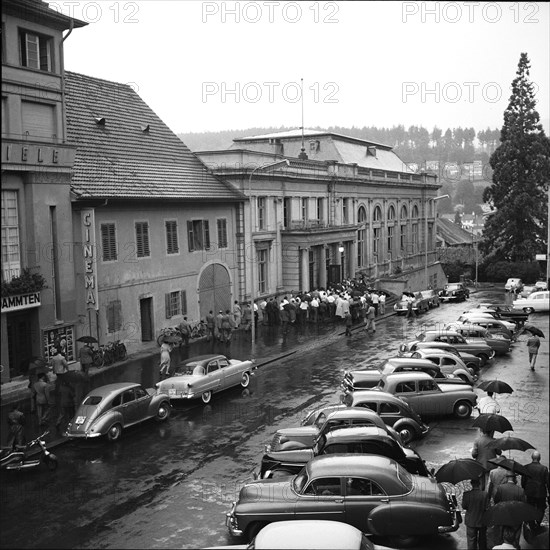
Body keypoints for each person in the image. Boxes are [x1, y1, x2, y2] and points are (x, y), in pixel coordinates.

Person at [493, 473, 525, 549]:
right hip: (516, 518)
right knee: (515, 538)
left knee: (501, 535)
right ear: (515, 479)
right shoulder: (520, 490)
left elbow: (496, 501)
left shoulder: (500, 488)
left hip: (503, 516)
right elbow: (523, 505)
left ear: (507, 478)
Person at [521, 451, 550, 530]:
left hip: (529, 492)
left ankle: (531, 524)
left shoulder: (526, 467)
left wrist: (525, 488)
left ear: (532, 458)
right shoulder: (544, 468)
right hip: (541, 492)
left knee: (530, 507)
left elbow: (523, 481)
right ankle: (538, 522)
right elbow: (548, 482)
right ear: (539, 458)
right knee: (541, 508)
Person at [462, 477, 488, 550]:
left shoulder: (466, 494)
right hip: (482, 520)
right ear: (479, 484)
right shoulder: (484, 494)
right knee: (482, 540)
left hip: (471, 520)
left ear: (471, 484)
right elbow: (486, 507)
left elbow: (464, 506)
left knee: (471, 540)